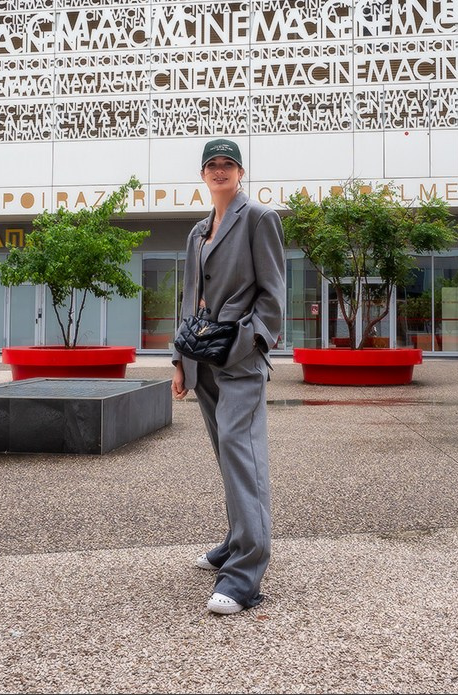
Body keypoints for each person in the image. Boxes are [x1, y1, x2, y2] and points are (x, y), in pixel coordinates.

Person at [171, 138, 285, 616]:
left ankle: (245, 575)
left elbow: (274, 295)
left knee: (244, 457)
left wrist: (251, 341)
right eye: (212, 164)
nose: (220, 170)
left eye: (228, 164)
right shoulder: (199, 231)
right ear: (202, 174)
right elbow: (189, 295)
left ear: (240, 173)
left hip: (238, 360)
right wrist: (179, 359)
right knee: (227, 456)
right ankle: (237, 540)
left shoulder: (259, 218)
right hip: (203, 359)